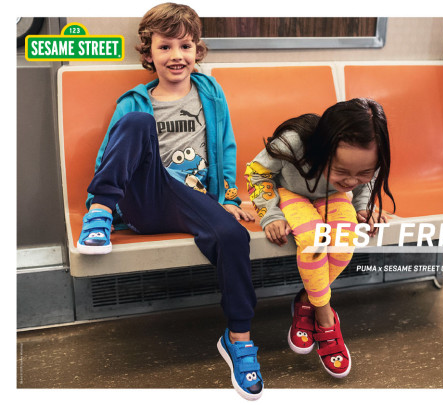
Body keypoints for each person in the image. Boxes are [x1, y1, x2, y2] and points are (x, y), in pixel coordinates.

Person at [76, 3, 263, 400]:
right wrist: (102, 199)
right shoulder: (134, 102)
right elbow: (108, 158)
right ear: (148, 54)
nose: (176, 55)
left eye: (185, 45)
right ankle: (99, 214)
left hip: (194, 202)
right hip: (145, 200)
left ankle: (239, 340)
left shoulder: (210, 93)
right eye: (165, 47)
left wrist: (229, 198)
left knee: (234, 237)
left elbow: (226, 150)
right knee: (136, 124)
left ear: (198, 51)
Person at [245, 98, 395, 378]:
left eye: (361, 172)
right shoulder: (292, 143)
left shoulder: (360, 169)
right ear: (323, 148)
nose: (352, 180)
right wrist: (270, 214)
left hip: (331, 197)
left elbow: (369, 180)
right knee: (314, 237)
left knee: (345, 237)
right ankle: (326, 317)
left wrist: (364, 205)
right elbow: (257, 171)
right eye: (341, 171)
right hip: (290, 192)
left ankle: (306, 299)